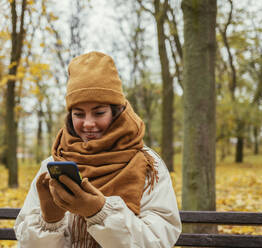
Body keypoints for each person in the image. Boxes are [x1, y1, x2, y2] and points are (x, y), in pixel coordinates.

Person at [14, 51, 181, 248]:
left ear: (116, 112)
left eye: (99, 112)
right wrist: (49, 221)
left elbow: (159, 241)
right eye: (79, 114)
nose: (88, 123)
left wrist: (99, 212)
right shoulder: (54, 163)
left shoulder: (147, 164)